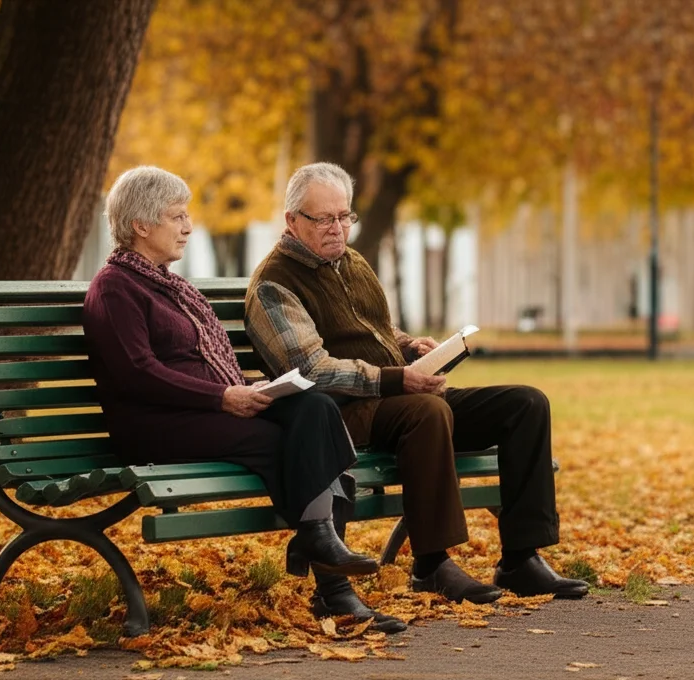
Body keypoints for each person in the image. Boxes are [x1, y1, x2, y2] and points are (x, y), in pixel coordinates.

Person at [244, 162, 589, 615]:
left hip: (400, 396)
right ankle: (430, 564)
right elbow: (312, 370)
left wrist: (410, 347)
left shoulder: (351, 262)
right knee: (428, 411)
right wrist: (396, 377)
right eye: (323, 219)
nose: (337, 229)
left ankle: (521, 558)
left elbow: (375, 329)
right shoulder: (275, 282)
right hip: (342, 414)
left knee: (525, 404)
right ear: (292, 221)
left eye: (344, 217)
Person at [81, 166, 402, 630]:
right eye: (177, 216)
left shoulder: (168, 284)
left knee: (316, 406)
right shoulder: (116, 288)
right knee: (286, 443)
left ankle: (317, 539)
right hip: (157, 425)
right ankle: (334, 585)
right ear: (141, 226)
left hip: (206, 408)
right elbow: (138, 374)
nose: (188, 226)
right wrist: (221, 397)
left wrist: (250, 390)